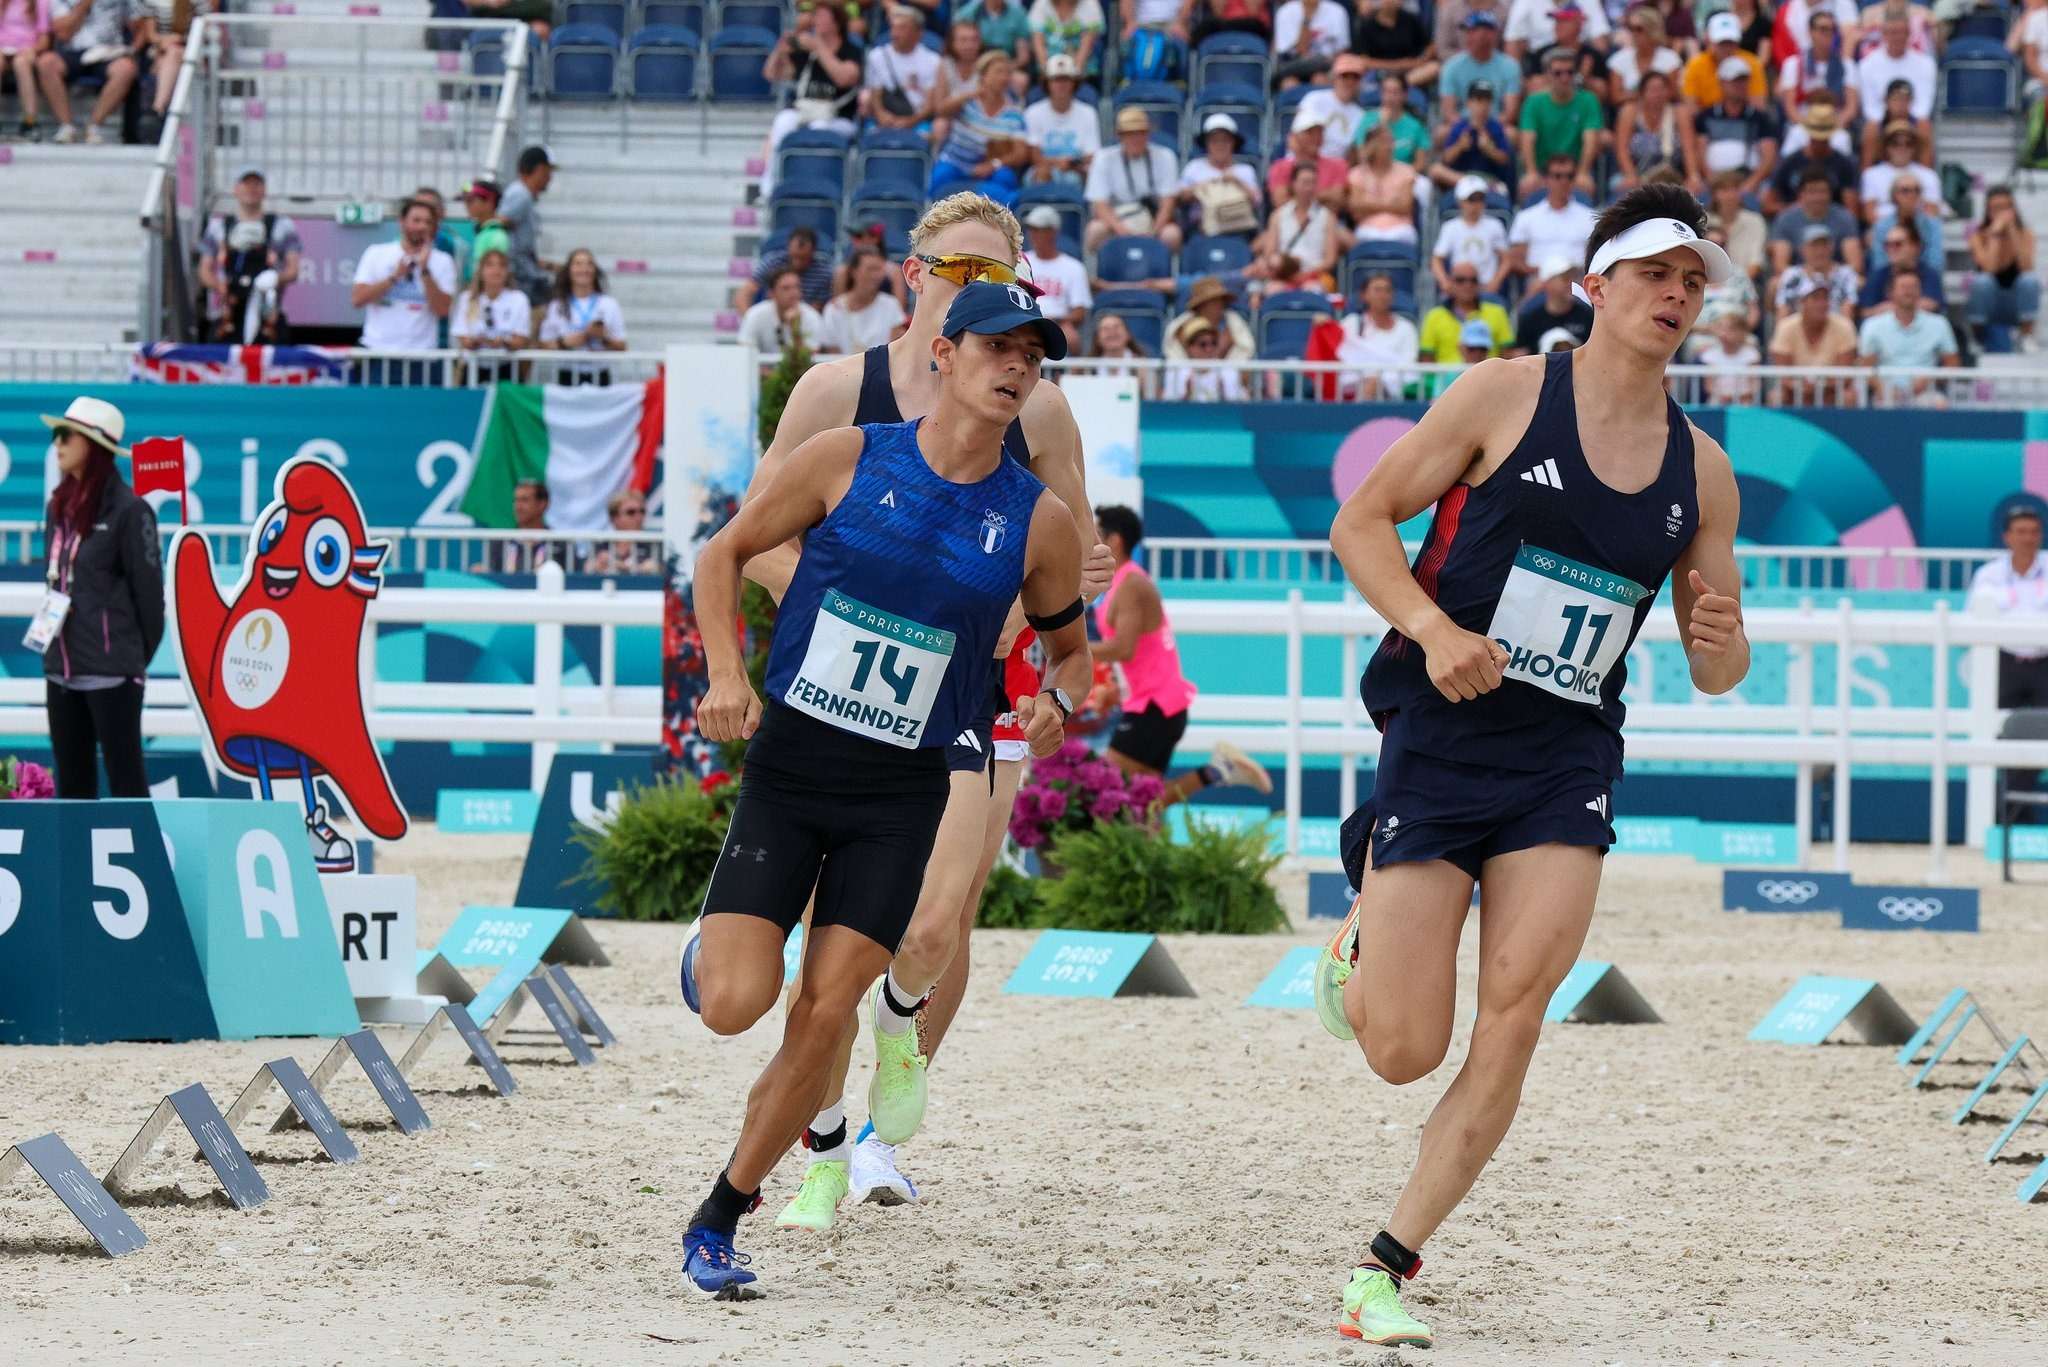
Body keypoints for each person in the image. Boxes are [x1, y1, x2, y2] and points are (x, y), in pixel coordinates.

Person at [1317, 185, 1748, 1348]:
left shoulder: (1701, 471)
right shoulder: (1503, 394)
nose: (1675, 294)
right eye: (1655, 271)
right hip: (1443, 733)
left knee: (1512, 1012)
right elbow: (1360, 523)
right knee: (1403, 1046)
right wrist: (1433, 628)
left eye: (1694, 279)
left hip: (1565, 760)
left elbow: (1719, 662)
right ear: (1594, 285)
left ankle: (1382, 1264)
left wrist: (1721, 646)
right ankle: (1363, 927)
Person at [678, 282, 1093, 1297]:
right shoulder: (848, 457)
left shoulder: (1034, 522)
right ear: (941, 353)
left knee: (823, 1014)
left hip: (899, 796)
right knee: (737, 1002)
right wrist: (727, 674)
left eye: (1031, 359)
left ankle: (720, 1217)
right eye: (996, 348)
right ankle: (717, 948)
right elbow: (722, 553)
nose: (1014, 370)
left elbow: (1072, 652)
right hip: (790, 774)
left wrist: (1058, 702)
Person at [1091, 503, 1269, 799]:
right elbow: (1138, 657)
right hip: (1153, 706)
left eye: (1096, 533)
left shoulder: (1132, 585)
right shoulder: (1122, 583)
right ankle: (1216, 771)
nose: (1089, 540)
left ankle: (1217, 771)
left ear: (1115, 541)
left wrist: (1070, 650)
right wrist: (1116, 693)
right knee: (1142, 805)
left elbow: (1123, 648)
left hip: (1155, 708)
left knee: (1109, 796)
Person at [35, 396, 162, 799]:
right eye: (56, 435)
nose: (57, 444)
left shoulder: (131, 511)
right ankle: (75, 865)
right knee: (72, 786)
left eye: (65, 435)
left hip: (113, 673)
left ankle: (143, 862)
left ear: (93, 445)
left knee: (126, 781)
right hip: (61, 670)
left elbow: (150, 600)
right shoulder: (59, 508)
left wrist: (129, 659)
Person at [757, 0, 861, 202]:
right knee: (783, 121)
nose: (816, 21)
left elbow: (845, 77)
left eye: (822, 17)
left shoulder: (850, 49)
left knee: (818, 127)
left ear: (836, 22)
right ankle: (768, 188)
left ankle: (815, 183)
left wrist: (819, 48)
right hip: (805, 110)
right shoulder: (806, 49)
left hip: (839, 117)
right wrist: (780, 50)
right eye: (816, 16)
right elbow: (772, 74)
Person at [197, 166, 302, 345]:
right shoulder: (219, 227)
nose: (251, 189)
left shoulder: (282, 226)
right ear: (236, 189)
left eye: (257, 184)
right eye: (246, 184)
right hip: (228, 314)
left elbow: (293, 270)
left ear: (264, 189)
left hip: (267, 315)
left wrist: (274, 278)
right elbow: (204, 270)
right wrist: (219, 285)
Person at [1965, 505, 2048, 711]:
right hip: (2004, 662)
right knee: (1997, 727)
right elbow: (1972, 617)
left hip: (2046, 662)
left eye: (2034, 532)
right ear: (2007, 537)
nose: (2028, 539)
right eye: (2021, 532)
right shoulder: (1988, 575)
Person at [349, 198, 455, 352]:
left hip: (423, 354)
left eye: (428, 222)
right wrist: (394, 277)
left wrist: (425, 270)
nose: (422, 227)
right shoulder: (376, 253)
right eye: (416, 220)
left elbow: (443, 310)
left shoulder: (443, 261)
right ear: (402, 222)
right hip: (378, 351)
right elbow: (358, 299)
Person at [930, 50, 1031, 206]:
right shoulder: (966, 101)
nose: (1004, 77)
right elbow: (941, 111)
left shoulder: (1014, 113)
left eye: (1007, 73)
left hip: (989, 169)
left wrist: (994, 164)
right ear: (983, 75)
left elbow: (1020, 153)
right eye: (998, 72)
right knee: (941, 175)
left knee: (1005, 178)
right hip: (955, 163)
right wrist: (968, 95)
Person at [35, 0, 140, 144]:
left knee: (126, 68)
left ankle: (94, 126)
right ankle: (67, 127)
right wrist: (84, 4)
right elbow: (63, 33)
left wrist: (132, 49)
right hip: (71, 51)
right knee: (46, 63)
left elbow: (139, 26)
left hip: (108, 51)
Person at [1083, 106, 1181, 253]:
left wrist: (1154, 232)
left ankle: (1164, 272)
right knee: (1095, 230)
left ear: (1148, 134)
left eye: (1140, 133)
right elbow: (1100, 205)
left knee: (1171, 235)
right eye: (1129, 134)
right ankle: (1100, 273)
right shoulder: (1103, 158)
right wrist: (1123, 232)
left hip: (1152, 220)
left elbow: (1168, 203)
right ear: (1120, 136)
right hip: (1117, 219)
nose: (1135, 139)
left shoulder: (1166, 156)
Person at [1684, 54, 1780, 201]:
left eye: (1743, 81)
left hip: (1747, 181)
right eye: (1734, 81)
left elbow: (1768, 157)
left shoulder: (1760, 118)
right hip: (1714, 182)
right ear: (1722, 83)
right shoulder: (1706, 117)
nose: (1739, 86)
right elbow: (1700, 153)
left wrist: (1750, 184)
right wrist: (1715, 183)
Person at [1858, 269, 1958, 403]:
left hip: (1926, 392)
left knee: (1940, 404)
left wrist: (1930, 379)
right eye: (1903, 287)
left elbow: (1952, 364)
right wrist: (1883, 389)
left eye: (1914, 287)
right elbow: (1866, 366)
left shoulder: (1939, 324)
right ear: (1890, 293)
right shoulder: (1873, 325)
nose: (1909, 291)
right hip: (1886, 393)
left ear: (1921, 292)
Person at [1516, 45, 1602, 196]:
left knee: (1585, 186)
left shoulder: (1589, 100)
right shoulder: (1533, 102)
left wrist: (1583, 172)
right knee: (1528, 185)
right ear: (1547, 75)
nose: (1565, 78)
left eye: (1570, 72)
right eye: (1558, 73)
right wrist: (1531, 172)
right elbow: (1527, 139)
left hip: (1574, 170)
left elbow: (1591, 139)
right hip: (1543, 170)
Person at [1967, 186, 2040, 353]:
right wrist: (1995, 236)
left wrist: (2012, 231)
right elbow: (1989, 268)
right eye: (1996, 208)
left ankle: (2025, 335)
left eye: (2006, 207)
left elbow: (2026, 267)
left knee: (2029, 280)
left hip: (2015, 303)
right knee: (1982, 282)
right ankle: (1979, 338)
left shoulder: (2026, 233)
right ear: (1988, 210)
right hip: (1989, 303)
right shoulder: (1977, 235)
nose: (2001, 213)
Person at [538, 247, 627, 383]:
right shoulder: (557, 305)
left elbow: (622, 346)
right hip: (567, 374)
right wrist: (564, 343)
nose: (584, 269)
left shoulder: (609, 304)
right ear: (569, 271)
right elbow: (543, 344)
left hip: (599, 375)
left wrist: (603, 339)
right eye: (578, 264)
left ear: (595, 271)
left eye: (589, 264)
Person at [1172, 112, 1264, 242]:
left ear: (1233, 143)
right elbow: (1179, 197)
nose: (1220, 145)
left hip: (1238, 230)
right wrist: (1200, 188)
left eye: (1225, 140)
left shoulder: (1245, 170)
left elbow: (1257, 201)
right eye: (1214, 141)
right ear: (1206, 144)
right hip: (1201, 230)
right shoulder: (1194, 167)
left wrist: (1237, 182)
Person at [1506, 153, 1598, 282]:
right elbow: (1516, 259)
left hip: (1576, 282)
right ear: (1546, 180)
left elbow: (1597, 259)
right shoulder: (1526, 217)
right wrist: (1547, 274)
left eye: (1569, 176)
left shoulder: (1590, 218)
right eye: (1557, 176)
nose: (1564, 181)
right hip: (1539, 282)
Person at [1257, 161, 1346, 291]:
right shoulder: (1278, 216)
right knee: (1273, 290)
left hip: (1315, 274)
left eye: (1312, 183)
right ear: (1293, 184)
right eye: (1305, 182)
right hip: (1285, 272)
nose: (1309, 188)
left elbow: (1330, 259)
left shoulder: (1328, 217)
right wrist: (1285, 269)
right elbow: (1270, 253)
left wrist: (1306, 274)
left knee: (1312, 289)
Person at [1767, 279, 1859, 404]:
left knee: (1848, 397)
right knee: (1775, 397)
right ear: (1802, 302)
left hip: (1832, 393)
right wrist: (1801, 386)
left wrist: (1819, 387)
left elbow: (1845, 376)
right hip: (1794, 393)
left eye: (1825, 298)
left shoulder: (1844, 326)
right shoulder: (1786, 327)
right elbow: (1783, 375)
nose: (1822, 304)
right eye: (1815, 298)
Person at [450, 248, 532, 384]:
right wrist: (477, 342)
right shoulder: (468, 298)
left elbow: (521, 339)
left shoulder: (518, 299)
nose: (496, 270)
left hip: (506, 368)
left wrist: (503, 342)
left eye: (501, 265)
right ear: (481, 271)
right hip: (474, 367)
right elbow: (462, 337)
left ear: (507, 272)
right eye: (490, 265)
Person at [1335, 271, 1421, 399]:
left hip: (1394, 388)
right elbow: (1342, 356)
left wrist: (1379, 379)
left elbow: (1408, 363)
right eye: (1377, 290)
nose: (1383, 295)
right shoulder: (1351, 322)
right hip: (1354, 384)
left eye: (1387, 290)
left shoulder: (1406, 328)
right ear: (1364, 295)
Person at [862, 5, 944, 134]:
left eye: (902, 28)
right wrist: (882, 115)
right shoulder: (877, 56)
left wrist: (911, 121)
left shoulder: (933, 60)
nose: (895, 33)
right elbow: (875, 95)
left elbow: (930, 104)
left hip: (920, 120)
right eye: (893, 27)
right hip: (884, 118)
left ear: (918, 33)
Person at [1767, 168, 1862, 276]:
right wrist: (1808, 277)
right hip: (1799, 277)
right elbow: (1780, 265)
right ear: (1801, 195)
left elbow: (1855, 264)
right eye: (1812, 192)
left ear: (1830, 194)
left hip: (1836, 275)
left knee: (1860, 282)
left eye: (1822, 192)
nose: (1818, 197)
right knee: (1774, 285)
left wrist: (1831, 276)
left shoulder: (1845, 218)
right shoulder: (1785, 219)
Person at [1020, 205, 1092, 348]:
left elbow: (1079, 312)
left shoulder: (1073, 267)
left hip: (1058, 323)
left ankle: (1068, 371)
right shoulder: (1021, 261)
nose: (1032, 234)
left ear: (1052, 232)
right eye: (1031, 229)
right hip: (1024, 319)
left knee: (1071, 336)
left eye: (1038, 230)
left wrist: (1054, 319)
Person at [1024, 52, 1099, 185]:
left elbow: (1091, 155)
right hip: (1043, 170)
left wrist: (1071, 165)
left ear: (1074, 82)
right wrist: (1058, 163)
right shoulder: (1033, 112)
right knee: (1040, 175)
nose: (1061, 84)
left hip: (1077, 171)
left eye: (1066, 79)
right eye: (1056, 79)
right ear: (1047, 83)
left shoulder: (1088, 113)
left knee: (1072, 179)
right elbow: (1033, 155)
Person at [1854, 9, 1934, 132]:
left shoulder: (1926, 64)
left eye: (1901, 32)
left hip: (1913, 125)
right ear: (1884, 34)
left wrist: (1902, 121)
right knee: (1871, 128)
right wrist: (1891, 121)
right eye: (1892, 32)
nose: (1897, 37)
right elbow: (1870, 108)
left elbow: (1923, 107)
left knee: (1924, 126)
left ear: (1909, 33)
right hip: (1881, 126)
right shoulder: (1867, 65)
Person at [818, 246, 909, 354]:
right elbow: (831, 352)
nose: (876, 275)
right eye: (871, 269)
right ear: (854, 272)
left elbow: (895, 349)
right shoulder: (834, 309)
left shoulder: (891, 305)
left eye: (879, 269)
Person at [1777, 8, 1860, 124]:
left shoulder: (1847, 65)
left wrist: (1832, 127)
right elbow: (1790, 107)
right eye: (1823, 29)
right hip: (1802, 124)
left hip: (1835, 124)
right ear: (1810, 32)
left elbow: (1851, 108)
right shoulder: (1793, 64)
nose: (1828, 33)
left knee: (1841, 140)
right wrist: (1810, 128)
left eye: (1832, 29)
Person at [1432, 174, 1510, 296]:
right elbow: (1436, 259)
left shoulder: (1495, 225)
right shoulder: (1450, 227)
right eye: (1471, 200)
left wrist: (1496, 282)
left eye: (1480, 199)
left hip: (1486, 287)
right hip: (1458, 288)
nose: (1476, 204)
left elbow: (1506, 259)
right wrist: (1445, 282)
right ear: (1460, 202)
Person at [1440, 12, 1523, 125]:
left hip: (1496, 125)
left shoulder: (1510, 66)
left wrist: (1489, 129)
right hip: (1463, 125)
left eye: (1473, 31)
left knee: (1511, 135)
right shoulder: (1451, 66)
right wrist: (1469, 129)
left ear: (1490, 34)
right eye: (1467, 32)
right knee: (1441, 134)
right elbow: (1449, 112)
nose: (1468, 36)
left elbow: (1510, 113)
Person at [1430, 79, 1513, 192]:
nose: (1483, 106)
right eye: (1478, 100)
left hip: (1488, 177)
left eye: (1487, 101)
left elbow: (1505, 160)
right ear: (1469, 102)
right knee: (1436, 170)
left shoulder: (1495, 128)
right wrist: (1460, 146)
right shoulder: (1459, 127)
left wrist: (1489, 150)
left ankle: (1481, 185)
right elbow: (1446, 159)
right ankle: (1478, 185)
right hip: (1462, 179)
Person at [1419, 262, 1513, 360]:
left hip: (1487, 373)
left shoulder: (1498, 313)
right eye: (1460, 280)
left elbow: (1508, 356)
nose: (1468, 285)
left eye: (1473, 280)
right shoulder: (1434, 316)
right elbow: (1426, 359)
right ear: (1450, 282)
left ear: (1479, 284)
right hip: (1446, 375)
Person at [1346, 122, 1419, 246]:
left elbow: (1405, 207)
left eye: (1390, 141)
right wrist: (1391, 205)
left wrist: (1369, 205)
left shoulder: (1406, 171)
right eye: (1382, 141)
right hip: (1367, 229)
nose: (1389, 146)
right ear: (1370, 145)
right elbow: (1356, 209)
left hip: (1400, 229)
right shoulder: (1357, 173)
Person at [1509, 251, 1593, 354]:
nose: (1571, 282)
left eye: (1573, 277)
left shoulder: (1587, 315)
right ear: (1547, 282)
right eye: (1565, 278)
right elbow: (1520, 354)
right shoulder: (1530, 318)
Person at [1857, 215, 1940, 319]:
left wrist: (1888, 308)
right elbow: (1864, 311)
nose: (1891, 249)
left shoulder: (1929, 273)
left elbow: (1930, 305)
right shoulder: (1877, 275)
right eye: (1888, 245)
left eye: (1897, 244)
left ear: (1915, 246)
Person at [1612, 68, 1682, 190]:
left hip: (1670, 176)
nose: (1658, 94)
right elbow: (1621, 149)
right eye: (1653, 90)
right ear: (1642, 93)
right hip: (1636, 174)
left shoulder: (1679, 113)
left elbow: (1689, 148)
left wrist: (1693, 175)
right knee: (1619, 187)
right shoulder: (1630, 111)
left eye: (1662, 89)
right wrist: (1630, 174)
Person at [1269, 106, 1351, 209]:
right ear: (1295, 137)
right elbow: (1281, 203)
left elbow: (1337, 201)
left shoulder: (1338, 165)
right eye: (1309, 132)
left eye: (1319, 132)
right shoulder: (1279, 167)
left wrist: (1298, 196)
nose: (1316, 137)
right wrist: (1323, 196)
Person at [738, 225, 835, 312]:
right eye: (794, 256)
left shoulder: (824, 273)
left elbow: (816, 309)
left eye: (803, 258)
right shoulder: (772, 262)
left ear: (813, 252)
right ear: (788, 248)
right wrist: (749, 319)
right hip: (771, 316)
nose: (797, 262)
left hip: (804, 321)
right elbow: (744, 293)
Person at [1858, 118, 1938, 223]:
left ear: (1915, 147)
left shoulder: (1929, 175)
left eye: (1908, 143)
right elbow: (1869, 214)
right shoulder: (1870, 175)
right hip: (1883, 233)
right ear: (1886, 147)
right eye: (1895, 143)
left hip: (1918, 232)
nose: (1902, 148)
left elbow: (1931, 212)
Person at [1772, 224, 1859, 319]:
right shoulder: (1792, 275)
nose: (1820, 251)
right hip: (1799, 329)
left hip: (1835, 327)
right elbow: (1783, 309)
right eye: (1814, 246)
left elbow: (1848, 309)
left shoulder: (1845, 274)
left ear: (1832, 247)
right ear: (1802, 249)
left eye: (1824, 245)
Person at [1679, 11, 1766, 107]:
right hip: (1706, 119)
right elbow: (1690, 106)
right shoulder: (1696, 65)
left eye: (1730, 42)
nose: (1726, 48)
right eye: (1721, 43)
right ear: (1710, 41)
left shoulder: (1752, 64)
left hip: (1743, 119)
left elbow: (1758, 106)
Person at [738, 265, 827, 357]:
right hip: (761, 371)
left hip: (802, 371)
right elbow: (744, 353)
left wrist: (795, 330)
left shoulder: (812, 316)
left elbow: (812, 360)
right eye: (786, 288)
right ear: (771, 293)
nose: (794, 293)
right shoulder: (755, 314)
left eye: (797, 287)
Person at [1164, 275, 1256, 360]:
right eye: (1213, 302)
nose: (1218, 305)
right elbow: (1175, 356)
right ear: (1201, 305)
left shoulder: (1234, 322)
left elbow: (1246, 351)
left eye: (1220, 301)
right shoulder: (1180, 327)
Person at [1296, 51, 1370, 155]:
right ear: (1334, 77)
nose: (1349, 82)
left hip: (1340, 167)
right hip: (1309, 160)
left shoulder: (1361, 115)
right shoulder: (1314, 99)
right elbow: (1300, 135)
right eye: (1344, 76)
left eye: (1355, 77)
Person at [1352, 0, 1439, 88]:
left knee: (1434, 68)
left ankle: (1399, 85)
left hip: (1410, 73)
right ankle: (1394, 86)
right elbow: (1364, 60)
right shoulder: (1367, 26)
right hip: (1379, 73)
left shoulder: (1410, 20)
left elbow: (1430, 46)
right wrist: (1397, 65)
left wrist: (1420, 60)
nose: (1391, 2)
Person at [1160, 314, 1248, 399]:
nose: (1209, 349)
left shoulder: (1229, 371)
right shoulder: (1175, 372)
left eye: (1213, 343)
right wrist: (1186, 398)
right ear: (1189, 347)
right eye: (1203, 344)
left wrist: (1223, 397)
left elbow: (1239, 407)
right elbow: (1169, 409)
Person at [2, 0, 51, 141]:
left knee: (21, 63)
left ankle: (30, 121)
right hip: (3, 49)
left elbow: (44, 38)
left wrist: (32, 49)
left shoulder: (40, 2)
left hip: (28, 49)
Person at [1608, 5, 1681, 98]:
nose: (1634, 33)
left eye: (1639, 29)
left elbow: (1672, 94)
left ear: (1653, 30)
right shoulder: (1618, 59)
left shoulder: (1671, 59)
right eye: (1631, 28)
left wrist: (1634, 95)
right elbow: (1616, 97)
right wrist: (1651, 95)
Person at [583, 487, 660, 576]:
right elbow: (588, 568)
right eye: (631, 512)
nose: (639, 517)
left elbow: (657, 568)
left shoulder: (652, 546)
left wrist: (618, 566)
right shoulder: (602, 546)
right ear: (614, 518)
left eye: (642, 511)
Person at [1273, 0, 1352, 87]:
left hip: (1327, 67)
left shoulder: (1338, 11)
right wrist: (1307, 17)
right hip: (1294, 66)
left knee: (1320, 79)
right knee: (1289, 84)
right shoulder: (1285, 12)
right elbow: (1299, 52)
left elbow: (1342, 51)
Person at [1708, 169, 1769, 281]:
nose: (1730, 195)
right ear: (1714, 194)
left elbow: (1756, 262)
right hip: (1710, 285)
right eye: (1724, 190)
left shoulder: (1755, 221)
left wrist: (1736, 285)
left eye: (1735, 189)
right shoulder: (1703, 221)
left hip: (1744, 284)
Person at [1693, 308, 1762, 403]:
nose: (1724, 334)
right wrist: (1723, 396)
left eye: (1730, 330)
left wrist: (1738, 396)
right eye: (1721, 328)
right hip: (1718, 401)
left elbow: (1755, 384)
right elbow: (1709, 386)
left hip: (1745, 401)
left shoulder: (1751, 354)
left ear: (1742, 332)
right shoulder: (1710, 355)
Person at [1028, 0, 1105, 79]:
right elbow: (1037, 42)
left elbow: (1087, 44)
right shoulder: (1041, 3)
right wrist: (1047, 73)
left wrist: (1074, 75)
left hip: (1081, 74)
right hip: (1047, 73)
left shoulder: (1090, 3)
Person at [457, 174, 510, 286]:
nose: (466, 205)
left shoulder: (497, 236)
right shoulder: (481, 232)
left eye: (471, 200)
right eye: (465, 201)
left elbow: (495, 276)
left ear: (490, 201)